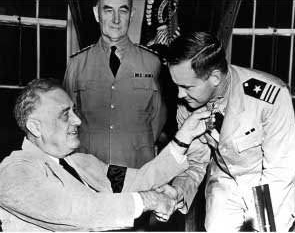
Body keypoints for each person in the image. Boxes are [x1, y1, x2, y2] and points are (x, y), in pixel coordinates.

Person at [0, 78, 210, 231]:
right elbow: (77, 210)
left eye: (74, 111)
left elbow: (138, 181)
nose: (77, 121)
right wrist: (149, 201)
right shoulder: (13, 172)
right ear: (35, 128)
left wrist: (183, 138)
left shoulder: (84, 163)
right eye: (65, 115)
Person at [159, 31, 295, 231]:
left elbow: (280, 171)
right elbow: (196, 162)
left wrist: (259, 224)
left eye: (187, 86)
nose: (180, 94)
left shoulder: (270, 97)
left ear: (215, 77)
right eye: (177, 86)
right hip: (225, 179)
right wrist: (178, 191)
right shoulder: (188, 103)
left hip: (269, 184)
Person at [63, 0, 166, 192]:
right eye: (108, 10)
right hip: (89, 174)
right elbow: (67, 120)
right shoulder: (77, 64)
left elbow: (158, 118)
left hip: (137, 170)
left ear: (132, 15)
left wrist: (134, 143)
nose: (116, 19)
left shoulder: (153, 63)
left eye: (123, 11)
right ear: (96, 14)